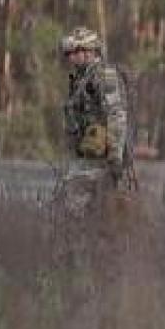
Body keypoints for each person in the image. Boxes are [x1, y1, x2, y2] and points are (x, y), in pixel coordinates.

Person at [59, 26, 133, 216]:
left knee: (87, 208)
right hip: (87, 156)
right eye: (70, 52)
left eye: (76, 51)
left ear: (90, 51)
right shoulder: (80, 79)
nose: (71, 56)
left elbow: (117, 114)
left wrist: (115, 156)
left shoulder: (104, 75)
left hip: (103, 158)